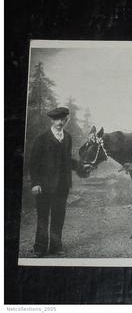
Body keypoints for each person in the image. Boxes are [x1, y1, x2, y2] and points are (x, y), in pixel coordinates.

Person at [29, 107, 83, 257]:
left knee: (59, 216)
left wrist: (80, 166)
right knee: (43, 217)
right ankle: (39, 248)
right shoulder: (42, 138)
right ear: (52, 120)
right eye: (57, 119)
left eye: (62, 119)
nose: (60, 122)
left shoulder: (68, 138)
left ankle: (55, 246)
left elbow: (66, 160)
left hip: (62, 186)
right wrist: (35, 183)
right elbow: (34, 163)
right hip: (44, 186)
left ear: (66, 120)